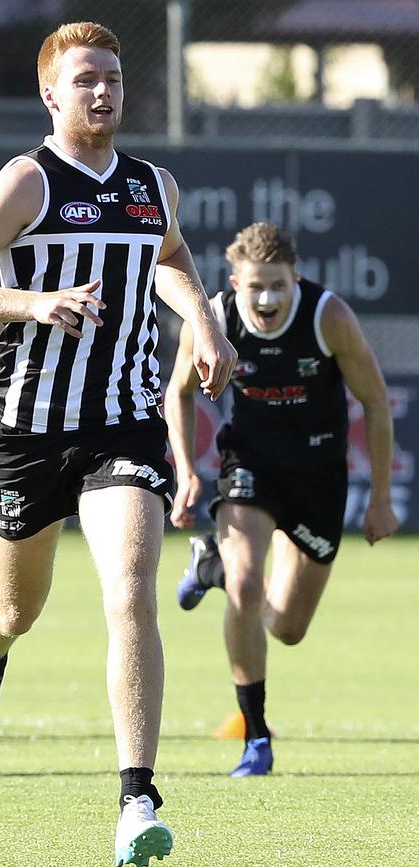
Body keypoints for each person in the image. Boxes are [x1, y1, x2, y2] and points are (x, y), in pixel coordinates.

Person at [0, 21, 236, 867]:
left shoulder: (150, 184)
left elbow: (165, 255)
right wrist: (31, 303)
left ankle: (137, 799)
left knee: (131, 589)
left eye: (115, 78)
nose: (104, 91)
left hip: (123, 424)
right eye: (86, 78)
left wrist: (201, 320)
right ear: (51, 93)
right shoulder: (28, 180)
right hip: (25, 430)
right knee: (14, 608)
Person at [165, 222, 399, 777]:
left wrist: (381, 497)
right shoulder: (214, 318)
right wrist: (186, 473)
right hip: (248, 465)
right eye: (255, 287)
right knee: (248, 584)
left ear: (296, 279)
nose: (267, 300)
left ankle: (211, 568)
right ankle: (256, 736)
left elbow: (377, 404)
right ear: (233, 282)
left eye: (278, 286)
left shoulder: (329, 318)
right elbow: (177, 391)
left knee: (289, 628)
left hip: (318, 477)